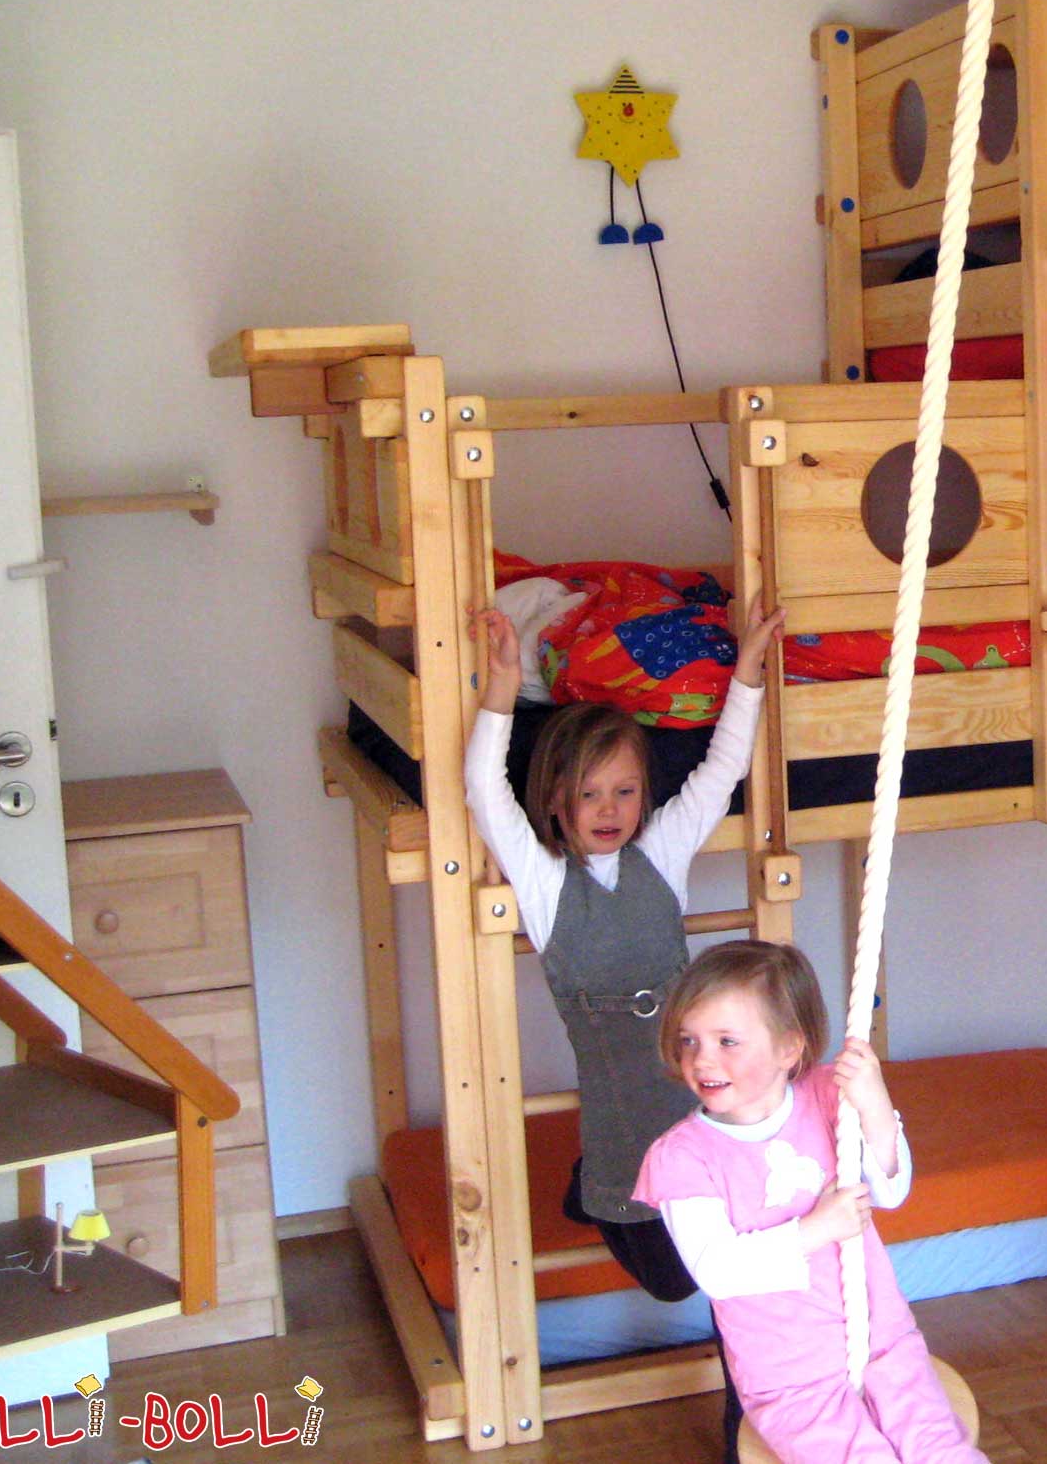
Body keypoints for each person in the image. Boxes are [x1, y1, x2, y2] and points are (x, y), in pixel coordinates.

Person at [466, 596, 785, 1460]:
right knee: (670, 1282)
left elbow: (720, 770)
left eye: (626, 790)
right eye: (589, 794)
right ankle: (586, 1189)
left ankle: (744, 1431)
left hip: (697, 1121)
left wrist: (747, 673)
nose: (610, 808)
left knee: (724, 1293)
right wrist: (499, 691)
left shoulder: (662, 856)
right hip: (620, 1134)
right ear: (559, 805)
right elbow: (485, 795)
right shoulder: (542, 883)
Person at [637, 941, 988, 1464]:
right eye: (689, 1040)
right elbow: (718, 1273)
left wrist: (875, 1104)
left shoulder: (829, 1097)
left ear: (789, 1049)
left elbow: (890, 1191)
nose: (701, 1058)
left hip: (885, 1343)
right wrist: (818, 1229)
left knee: (943, 1453)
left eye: (727, 1040)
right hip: (790, 1378)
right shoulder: (682, 1158)